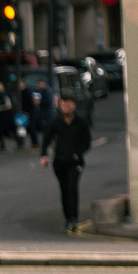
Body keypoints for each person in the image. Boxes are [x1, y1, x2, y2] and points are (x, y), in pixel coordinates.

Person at [40, 94, 94, 228]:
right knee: (64, 189)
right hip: (60, 162)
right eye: (63, 104)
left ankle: (74, 218)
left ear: (74, 106)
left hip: (75, 162)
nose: (66, 107)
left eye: (68, 104)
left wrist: (78, 153)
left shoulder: (80, 122)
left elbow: (87, 142)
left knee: (72, 188)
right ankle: (67, 217)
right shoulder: (56, 121)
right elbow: (47, 138)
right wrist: (44, 155)